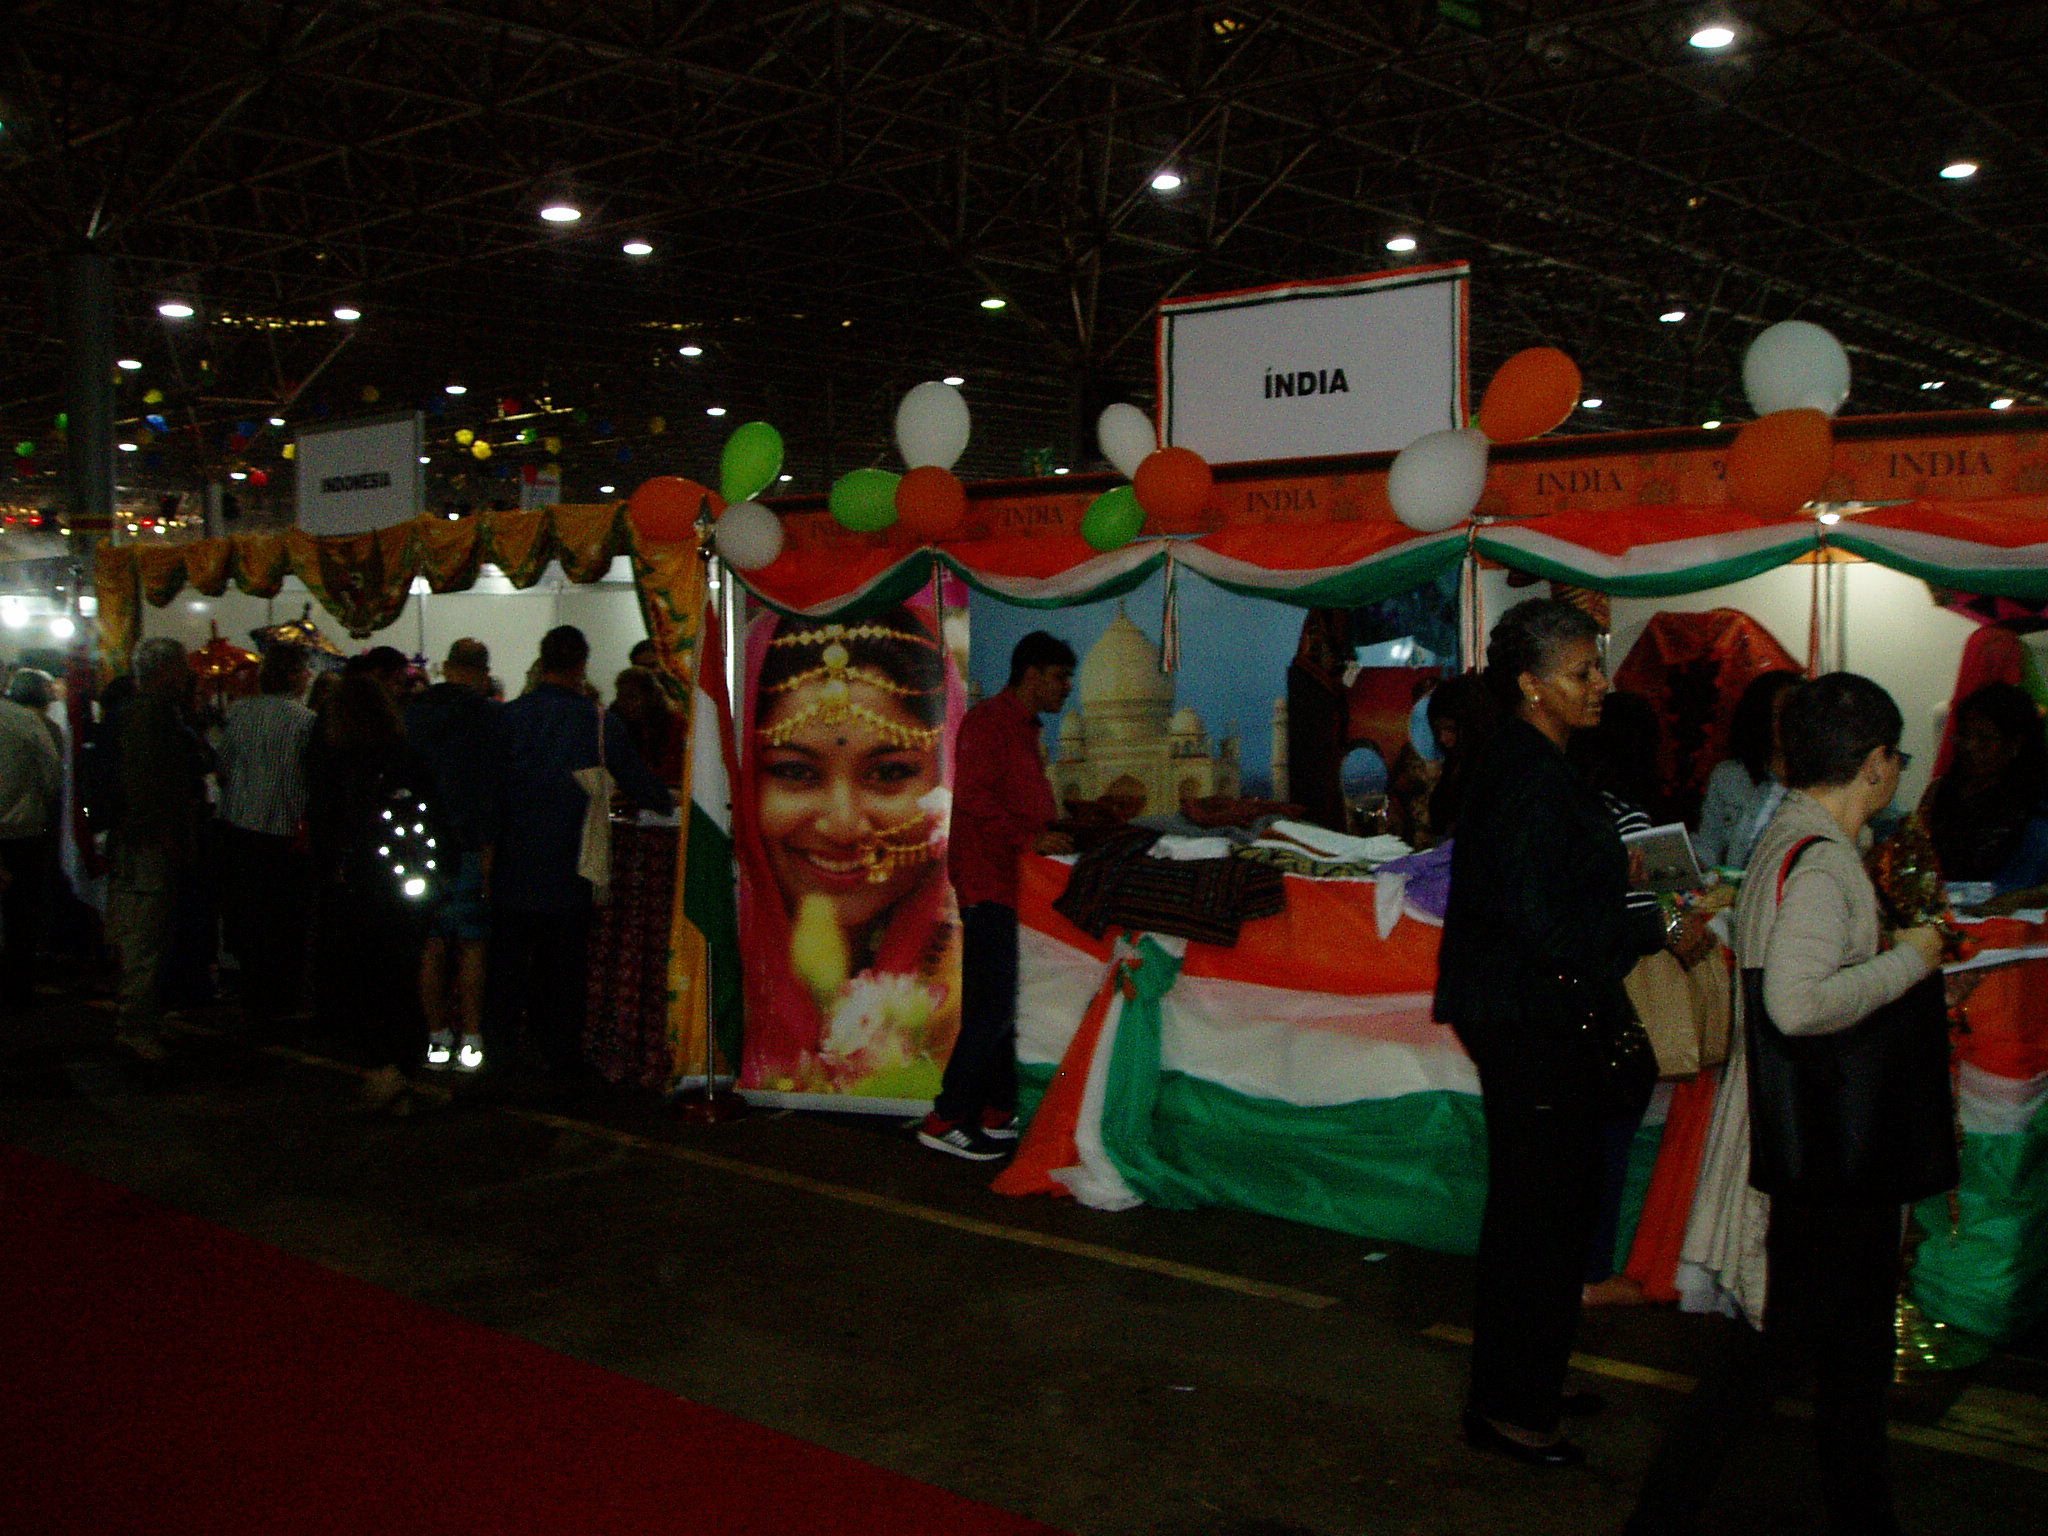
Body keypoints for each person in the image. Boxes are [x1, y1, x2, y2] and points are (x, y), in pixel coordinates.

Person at [1626, 674, 1950, 1536]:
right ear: (1875, 764)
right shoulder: (1821, 862)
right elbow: (1797, 1005)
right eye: (1895, 757)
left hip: (1818, 1147)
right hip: (1833, 1153)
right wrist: (1913, 960)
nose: (1897, 773)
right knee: (1781, 1358)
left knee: (1840, 1362)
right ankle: (1662, 1514)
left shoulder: (1793, 840)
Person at [1434, 599, 1660, 1467]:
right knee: (1539, 1217)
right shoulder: (1528, 774)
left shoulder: (1538, 762)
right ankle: (1510, 1409)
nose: (1600, 684)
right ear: (1531, 685)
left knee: (1550, 1210)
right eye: (1581, 672)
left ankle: (1530, 1379)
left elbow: (1551, 892)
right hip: (1529, 1018)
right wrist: (1651, 925)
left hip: (1531, 1011)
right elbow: (1543, 926)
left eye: (1597, 667)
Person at [738, 604, 967, 1103]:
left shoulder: (974, 986)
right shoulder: (712, 975)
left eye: (889, 773)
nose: (843, 826)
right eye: (796, 772)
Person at [1568, 691, 1714, 1308]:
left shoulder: (1565, 805)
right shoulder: (1632, 822)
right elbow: (1649, 919)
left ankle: (1566, 1270)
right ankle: (1592, 1274)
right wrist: (1677, 927)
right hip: (1608, 1002)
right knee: (1607, 1139)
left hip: (1555, 1001)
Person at [489, 625, 672, 1092]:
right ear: (582, 665)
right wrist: (668, 800)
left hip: (514, 861)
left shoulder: (509, 717)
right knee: (564, 970)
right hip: (571, 863)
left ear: (542, 660)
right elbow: (638, 782)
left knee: (508, 967)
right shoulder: (597, 722)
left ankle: (502, 1057)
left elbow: (487, 789)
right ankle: (561, 1059)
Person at [918, 631, 1075, 1161]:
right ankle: (946, 1118)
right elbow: (976, 800)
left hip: (1014, 883)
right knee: (991, 1009)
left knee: (1008, 1004)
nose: (1067, 687)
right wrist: (1030, 839)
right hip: (990, 884)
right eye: (1060, 676)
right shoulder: (990, 722)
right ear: (1032, 674)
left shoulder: (1023, 727)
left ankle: (997, 1109)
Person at [306, 672, 445, 1113]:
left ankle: (384, 1069)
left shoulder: (334, 760)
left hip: (358, 885)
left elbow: (322, 824)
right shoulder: (407, 757)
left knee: (365, 980)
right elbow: (437, 818)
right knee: (401, 978)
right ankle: (400, 1070)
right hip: (407, 883)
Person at [104, 638, 209, 1060]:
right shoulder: (148, 716)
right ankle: (135, 1025)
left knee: (154, 933)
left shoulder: (157, 712)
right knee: (145, 935)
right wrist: (163, 832)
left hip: (153, 837)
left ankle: (145, 1016)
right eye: (180, 666)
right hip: (148, 842)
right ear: (164, 671)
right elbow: (145, 781)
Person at [405, 638, 506, 1073]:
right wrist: (489, 847)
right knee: (472, 944)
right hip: (469, 842)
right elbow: (493, 787)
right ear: (483, 674)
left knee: (431, 943)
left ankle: (436, 1037)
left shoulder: (413, 713)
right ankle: (472, 1039)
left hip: (422, 841)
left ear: (446, 667)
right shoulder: (490, 716)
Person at [214, 643, 316, 1031]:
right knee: (283, 919)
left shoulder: (241, 713)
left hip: (239, 825)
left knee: (249, 915)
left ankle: (253, 992)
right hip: (282, 829)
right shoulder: (305, 721)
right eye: (304, 671)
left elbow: (223, 765)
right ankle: (279, 997)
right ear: (293, 676)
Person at [1919, 680, 2047, 889]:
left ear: (2014, 744)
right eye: (1964, 735)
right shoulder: (1940, 791)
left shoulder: (2038, 804)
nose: (1969, 746)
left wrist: (2018, 899)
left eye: (1984, 739)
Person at [1694, 670, 1802, 870]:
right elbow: (1707, 846)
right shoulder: (1729, 776)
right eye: (1778, 714)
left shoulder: (1822, 781)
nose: (1788, 723)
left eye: (1795, 713)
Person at [0, 676, 62, 1011]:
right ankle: (17, 990)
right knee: (21, 917)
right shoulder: (26, 721)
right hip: (22, 832)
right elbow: (52, 775)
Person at [611, 665, 683, 783]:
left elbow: (671, 772)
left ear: (651, 696)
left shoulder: (676, 724)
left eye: (632, 697)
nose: (626, 704)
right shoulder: (629, 724)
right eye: (621, 698)